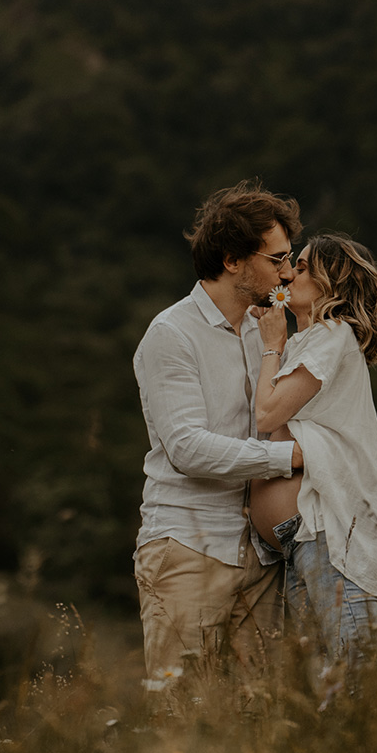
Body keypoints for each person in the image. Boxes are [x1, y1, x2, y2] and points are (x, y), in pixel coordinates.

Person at [133, 180, 304, 678]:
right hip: (188, 547)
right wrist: (290, 459)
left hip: (261, 553)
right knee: (182, 720)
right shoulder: (171, 334)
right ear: (232, 260)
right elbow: (186, 448)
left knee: (261, 721)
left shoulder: (267, 330)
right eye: (276, 260)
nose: (288, 273)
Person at [248, 234, 377, 664]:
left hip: (328, 534)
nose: (290, 273)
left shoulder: (334, 335)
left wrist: (272, 345)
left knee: (355, 668)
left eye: (304, 266)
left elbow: (267, 415)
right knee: (326, 681)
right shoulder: (310, 342)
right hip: (301, 540)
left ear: (333, 282)